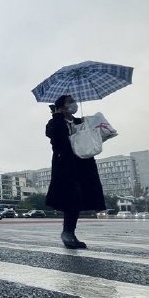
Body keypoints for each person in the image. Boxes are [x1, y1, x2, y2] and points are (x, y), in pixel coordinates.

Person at [45, 94, 105, 249]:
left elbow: (92, 137)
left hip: (83, 165)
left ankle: (70, 233)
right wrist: (57, 116)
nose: (74, 104)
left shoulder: (80, 122)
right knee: (71, 199)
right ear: (61, 107)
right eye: (69, 102)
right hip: (65, 166)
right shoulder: (54, 123)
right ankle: (67, 233)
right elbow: (56, 138)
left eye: (73, 101)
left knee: (79, 200)